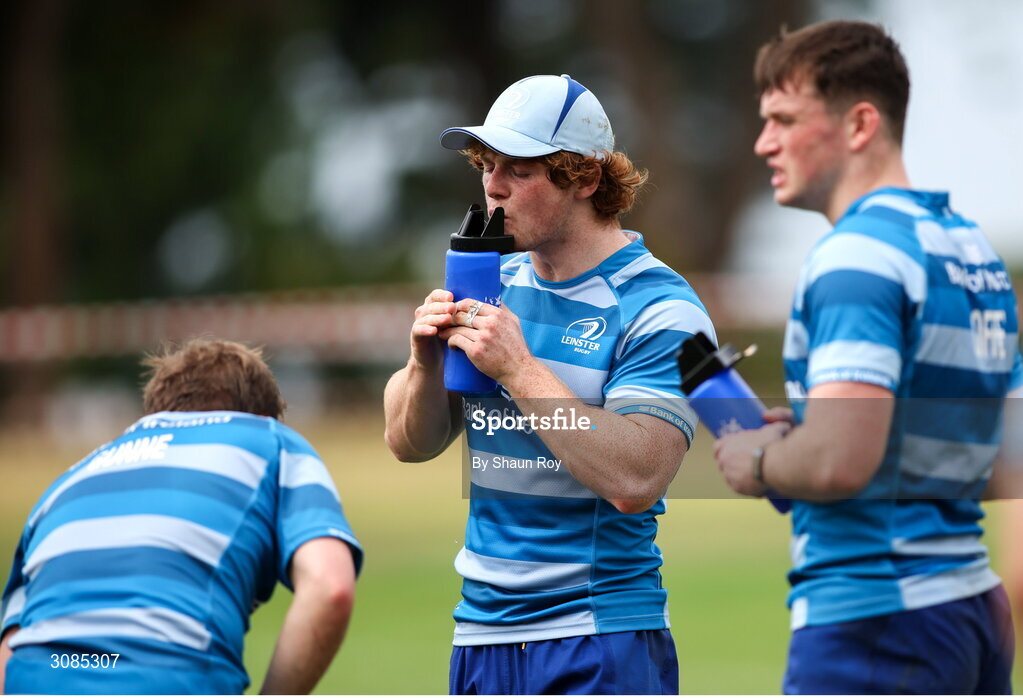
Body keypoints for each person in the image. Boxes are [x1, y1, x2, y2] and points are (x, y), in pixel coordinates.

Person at [713, 20, 1021, 694]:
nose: (764, 142)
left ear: (858, 125)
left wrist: (760, 460)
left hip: (877, 618)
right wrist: (820, 432)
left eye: (783, 119)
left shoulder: (855, 255)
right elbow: (997, 460)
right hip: (970, 612)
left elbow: (839, 462)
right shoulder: (972, 254)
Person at [384, 73, 714, 694]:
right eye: (486, 164)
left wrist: (521, 370)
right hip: (480, 636)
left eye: (520, 169)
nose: (492, 185)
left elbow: (637, 477)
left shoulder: (661, 307)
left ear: (586, 178)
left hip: (598, 637)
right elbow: (409, 442)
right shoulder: (494, 280)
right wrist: (424, 363)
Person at [0, 339, 362, 694]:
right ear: (263, 413)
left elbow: (10, 648)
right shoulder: (270, 441)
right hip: (165, 673)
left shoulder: (66, 482)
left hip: (39, 674)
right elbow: (330, 587)